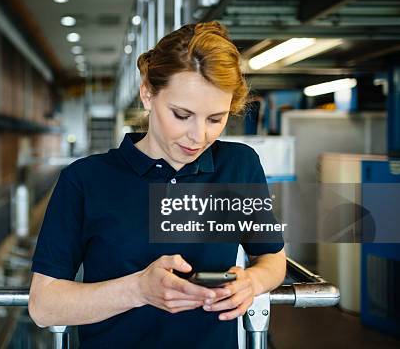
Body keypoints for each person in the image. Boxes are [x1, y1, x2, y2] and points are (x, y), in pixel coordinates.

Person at [28, 21, 286, 348]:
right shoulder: (85, 180)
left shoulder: (239, 167)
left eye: (215, 119)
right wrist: (138, 289)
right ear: (147, 92)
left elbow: (272, 259)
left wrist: (251, 281)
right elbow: (44, 306)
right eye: (181, 114)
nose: (199, 136)